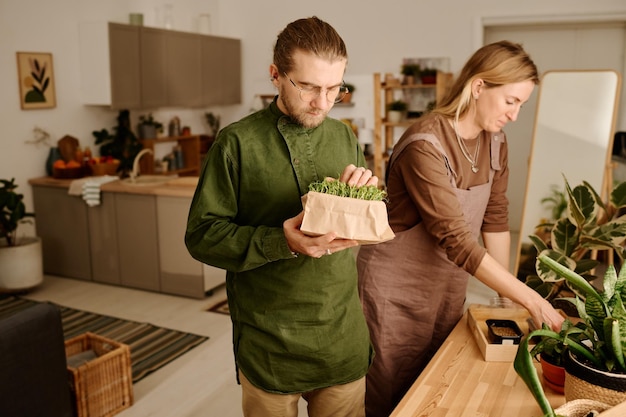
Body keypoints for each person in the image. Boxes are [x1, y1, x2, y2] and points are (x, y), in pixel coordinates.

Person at [356, 40, 566, 417]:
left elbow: (495, 219)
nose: (515, 115)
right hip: (395, 291)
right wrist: (531, 299)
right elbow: (455, 238)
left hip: (447, 286)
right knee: (392, 397)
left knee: (437, 385)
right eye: (511, 101)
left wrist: (505, 301)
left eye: (522, 104)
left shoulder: (495, 142)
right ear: (479, 86)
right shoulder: (425, 144)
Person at [185, 16, 376, 417]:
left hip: (341, 334)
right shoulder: (236, 143)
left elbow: (359, 221)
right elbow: (202, 235)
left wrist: (362, 196)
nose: (321, 103)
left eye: (334, 89)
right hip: (269, 342)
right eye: (307, 86)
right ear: (275, 75)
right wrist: (282, 240)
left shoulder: (343, 137)